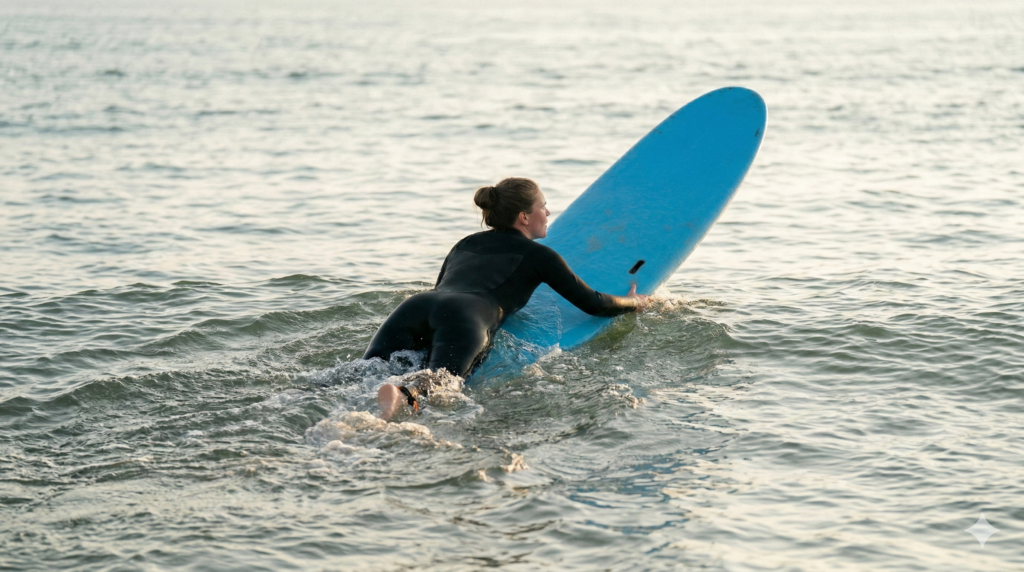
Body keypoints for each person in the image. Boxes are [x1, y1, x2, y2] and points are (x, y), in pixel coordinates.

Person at [364, 177, 648, 420]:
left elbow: (442, 288)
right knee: (442, 382)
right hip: (468, 316)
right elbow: (594, 303)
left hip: (417, 305)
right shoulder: (540, 255)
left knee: (363, 372)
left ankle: (373, 398)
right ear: (524, 217)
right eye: (543, 206)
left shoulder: (466, 243)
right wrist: (635, 302)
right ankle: (403, 395)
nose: (548, 212)